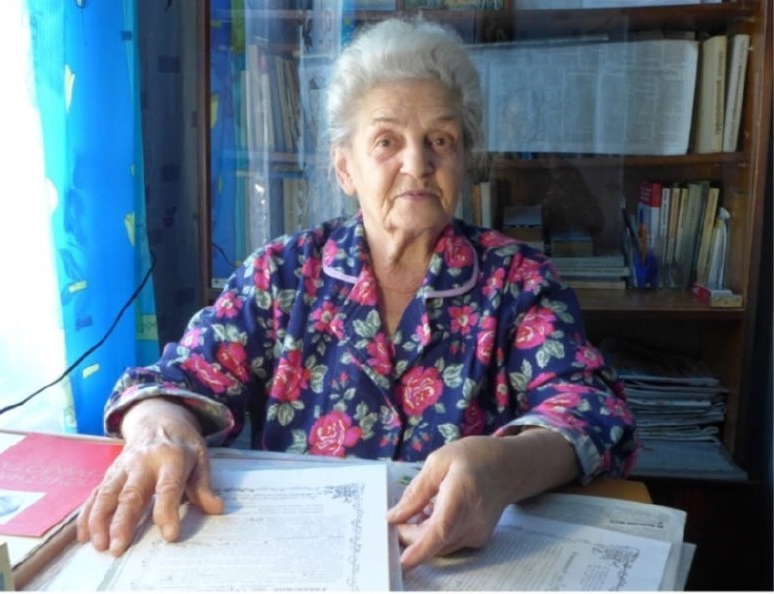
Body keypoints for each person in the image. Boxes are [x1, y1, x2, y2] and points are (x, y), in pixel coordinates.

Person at [77, 16, 637, 571]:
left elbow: (592, 409)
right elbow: (175, 380)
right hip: (298, 562)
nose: (418, 164)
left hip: (461, 568)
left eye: (440, 140)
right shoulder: (284, 274)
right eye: (387, 141)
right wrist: (158, 426)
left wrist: (506, 466)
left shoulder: (518, 280)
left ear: (464, 161)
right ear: (345, 167)